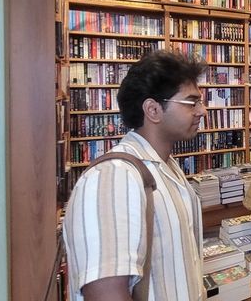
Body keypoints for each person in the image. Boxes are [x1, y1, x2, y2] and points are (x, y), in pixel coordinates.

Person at [63, 50, 206, 300]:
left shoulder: (166, 166)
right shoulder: (112, 178)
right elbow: (105, 293)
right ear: (153, 110)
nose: (202, 111)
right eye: (191, 102)